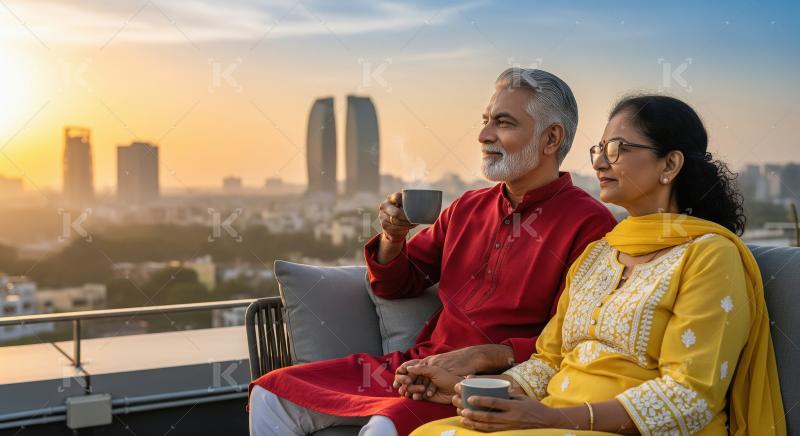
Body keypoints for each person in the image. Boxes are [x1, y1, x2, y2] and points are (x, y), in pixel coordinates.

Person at [248, 68, 617, 436]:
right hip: (416, 368)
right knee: (271, 391)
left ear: (551, 139)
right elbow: (397, 285)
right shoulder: (468, 207)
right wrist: (393, 237)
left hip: (494, 385)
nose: (483, 135)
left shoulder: (591, 226)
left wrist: (484, 356)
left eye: (502, 123)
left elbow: (574, 340)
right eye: (486, 121)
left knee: (383, 428)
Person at [409, 95, 786, 435]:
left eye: (618, 149)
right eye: (599, 148)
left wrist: (552, 419)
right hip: (553, 420)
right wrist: (479, 393)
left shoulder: (708, 256)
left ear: (670, 163)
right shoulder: (599, 254)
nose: (600, 161)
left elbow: (690, 396)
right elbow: (549, 361)